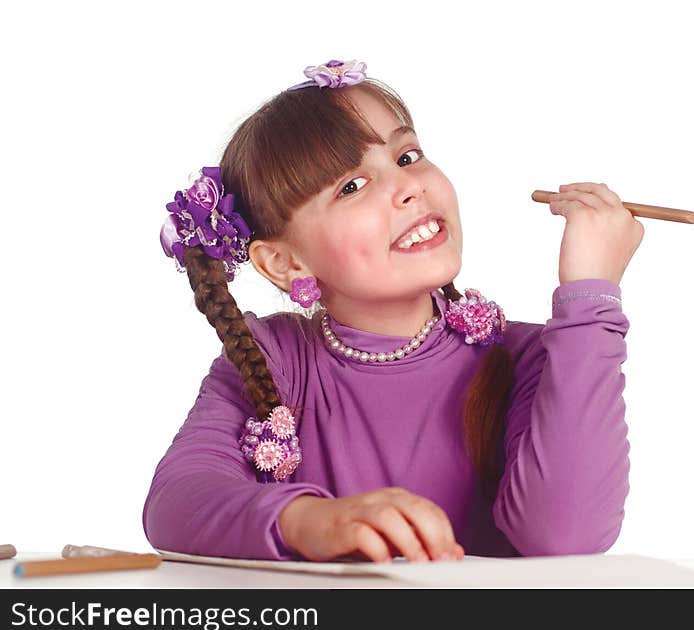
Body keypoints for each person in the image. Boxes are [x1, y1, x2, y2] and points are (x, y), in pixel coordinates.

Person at [144, 58, 644, 563]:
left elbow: (565, 535)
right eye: (352, 187)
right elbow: (174, 503)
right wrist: (310, 519)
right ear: (284, 261)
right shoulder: (275, 360)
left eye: (407, 157)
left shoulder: (534, 357)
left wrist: (589, 300)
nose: (410, 187)